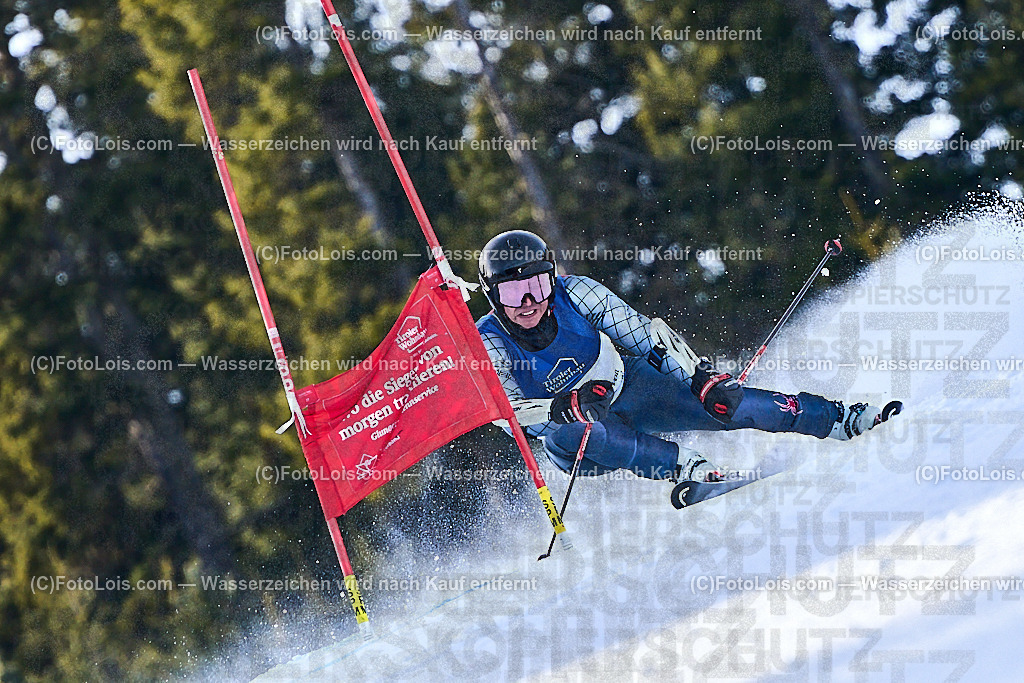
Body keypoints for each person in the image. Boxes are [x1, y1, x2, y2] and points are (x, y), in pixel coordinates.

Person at [475, 230, 897, 483]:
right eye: (513, 292)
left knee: (725, 403)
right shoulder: (488, 341)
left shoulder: (577, 293)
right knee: (578, 431)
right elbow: (507, 416)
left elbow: (643, 334)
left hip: (627, 386)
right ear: (493, 296)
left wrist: (701, 377)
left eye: (539, 285)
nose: (530, 301)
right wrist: (564, 406)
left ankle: (837, 418)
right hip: (575, 439)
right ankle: (685, 468)